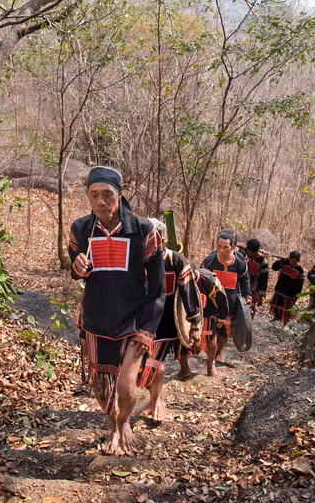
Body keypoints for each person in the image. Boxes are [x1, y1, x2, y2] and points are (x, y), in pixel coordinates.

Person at [69, 166, 165, 454]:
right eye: (94, 195)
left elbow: (158, 289)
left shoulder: (144, 231)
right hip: (97, 320)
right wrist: (77, 268)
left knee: (125, 387)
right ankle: (113, 426)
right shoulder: (80, 229)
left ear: (120, 195)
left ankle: (125, 420)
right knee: (102, 387)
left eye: (107, 195)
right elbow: (75, 266)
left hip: (135, 321)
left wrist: (148, 329)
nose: (101, 201)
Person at [138, 220, 202, 421]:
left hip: (166, 322)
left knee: (154, 362)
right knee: (140, 364)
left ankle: (157, 400)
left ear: (162, 237)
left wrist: (195, 324)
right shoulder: (135, 259)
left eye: (152, 234)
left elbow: (188, 293)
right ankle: (154, 397)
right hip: (139, 319)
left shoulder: (176, 261)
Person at [202, 229, 251, 375]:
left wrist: (247, 295)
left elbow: (245, 280)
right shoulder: (209, 261)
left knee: (223, 336)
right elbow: (202, 279)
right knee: (211, 334)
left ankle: (217, 354)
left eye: (225, 247)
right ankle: (210, 365)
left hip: (230, 304)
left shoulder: (240, 264)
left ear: (234, 247)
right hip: (211, 303)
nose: (221, 250)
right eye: (219, 246)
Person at [194, 267, 229, 377]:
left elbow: (222, 299)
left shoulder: (209, 280)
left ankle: (210, 365)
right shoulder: (180, 279)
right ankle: (184, 369)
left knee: (211, 339)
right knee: (182, 340)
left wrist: (221, 318)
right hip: (187, 312)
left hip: (209, 310)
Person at [271, 251, 305, 327]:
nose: (292, 263)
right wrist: (279, 261)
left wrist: (295, 296)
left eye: (294, 261)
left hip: (289, 293)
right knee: (277, 305)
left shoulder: (300, 271)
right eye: (291, 260)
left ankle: (284, 324)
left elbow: (299, 285)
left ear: (298, 261)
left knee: (286, 310)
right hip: (280, 289)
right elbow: (274, 268)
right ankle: (276, 317)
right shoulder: (284, 263)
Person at [245, 239, 269, 319]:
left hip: (253, 288)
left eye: (253, 253)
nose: (251, 254)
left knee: (250, 306)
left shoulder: (262, 262)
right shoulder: (242, 254)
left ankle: (249, 323)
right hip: (241, 285)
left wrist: (261, 295)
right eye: (249, 252)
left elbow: (264, 280)